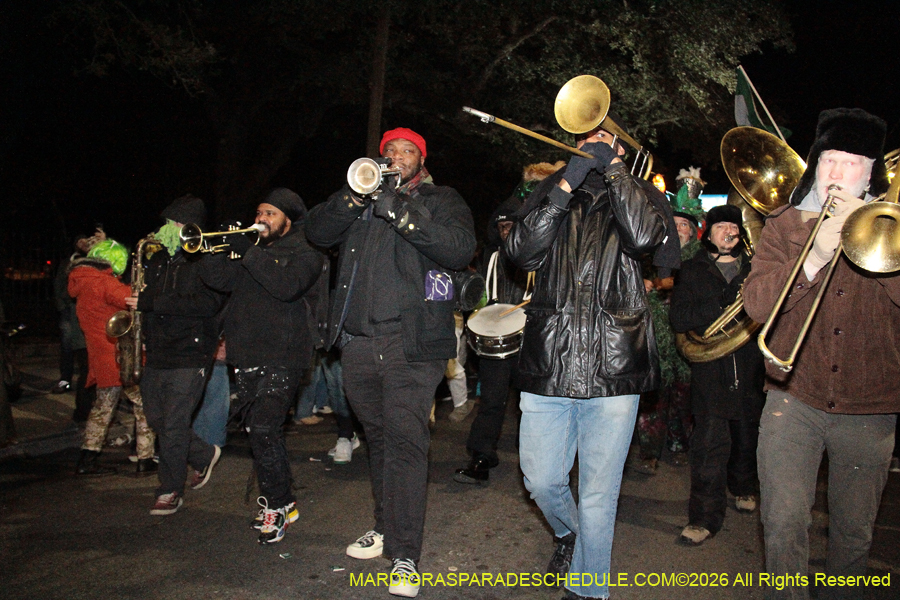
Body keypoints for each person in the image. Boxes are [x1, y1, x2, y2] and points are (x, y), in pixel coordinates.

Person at [505, 113, 676, 600]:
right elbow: (521, 250)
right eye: (586, 136)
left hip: (614, 363)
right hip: (550, 360)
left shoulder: (643, 194)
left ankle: (588, 589)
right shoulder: (551, 192)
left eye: (605, 137)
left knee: (600, 493)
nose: (594, 142)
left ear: (620, 146)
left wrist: (618, 174)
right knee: (540, 480)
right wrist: (568, 180)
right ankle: (568, 535)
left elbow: (644, 238)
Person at [307, 127, 476, 598]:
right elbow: (317, 231)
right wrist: (354, 195)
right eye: (389, 152)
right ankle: (385, 527)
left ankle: (405, 553)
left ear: (420, 160)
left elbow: (459, 249)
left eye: (407, 152)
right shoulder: (361, 199)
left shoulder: (440, 198)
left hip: (413, 341)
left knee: (405, 442)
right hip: (359, 341)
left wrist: (397, 209)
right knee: (379, 440)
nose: (396, 159)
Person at [742, 108, 899, 600]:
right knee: (784, 524)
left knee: (853, 536)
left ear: (870, 171)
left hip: (869, 409)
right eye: (829, 159)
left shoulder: (893, 224)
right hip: (793, 399)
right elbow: (756, 304)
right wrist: (812, 255)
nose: (836, 172)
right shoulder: (785, 222)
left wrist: (876, 236)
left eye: (851, 162)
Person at [201, 188, 323, 544]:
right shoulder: (252, 252)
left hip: (284, 353)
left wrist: (249, 252)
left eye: (270, 214)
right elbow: (218, 281)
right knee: (260, 431)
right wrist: (219, 248)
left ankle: (275, 505)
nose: (261, 219)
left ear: (288, 219)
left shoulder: (306, 252)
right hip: (248, 352)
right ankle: (285, 500)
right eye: (259, 213)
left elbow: (287, 287)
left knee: (263, 426)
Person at [453, 161, 562, 484]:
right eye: (502, 228)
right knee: (492, 401)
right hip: (498, 340)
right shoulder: (492, 256)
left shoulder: (542, 255)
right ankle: (481, 456)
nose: (507, 232)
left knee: (536, 404)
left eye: (512, 226)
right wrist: (475, 307)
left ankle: (543, 462)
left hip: (535, 336)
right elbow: (483, 297)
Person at [669, 204, 765, 546]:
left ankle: (743, 486)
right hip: (710, 369)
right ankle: (703, 518)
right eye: (721, 225)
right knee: (709, 444)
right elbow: (680, 319)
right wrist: (721, 305)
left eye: (733, 226)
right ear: (708, 232)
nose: (729, 231)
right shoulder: (692, 269)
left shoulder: (756, 268)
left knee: (746, 437)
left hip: (751, 365)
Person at [129, 195, 227, 515]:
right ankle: (202, 455)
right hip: (159, 350)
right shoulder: (157, 261)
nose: (164, 229)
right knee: (157, 417)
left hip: (192, 350)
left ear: (188, 227)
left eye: (172, 224)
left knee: (173, 422)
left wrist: (153, 304)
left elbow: (207, 306)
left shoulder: (204, 261)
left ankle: (170, 489)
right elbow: (149, 300)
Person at [633, 170, 705, 474]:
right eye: (673, 225)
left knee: (684, 397)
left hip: (686, 335)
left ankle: (679, 445)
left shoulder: (700, 257)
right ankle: (649, 451)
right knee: (653, 398)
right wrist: (645, 282)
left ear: (692, 230)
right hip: (655, 333)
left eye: (683, 225)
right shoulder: (652, 252)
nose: (678, 230)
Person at [68, 239, 156, 476]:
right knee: (144, 405)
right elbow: (132, 298)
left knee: (103, 407)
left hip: (101, 355)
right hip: (120, 356)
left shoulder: (82, 280)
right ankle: (145, 457)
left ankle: (88, 457)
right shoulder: (104, 282)